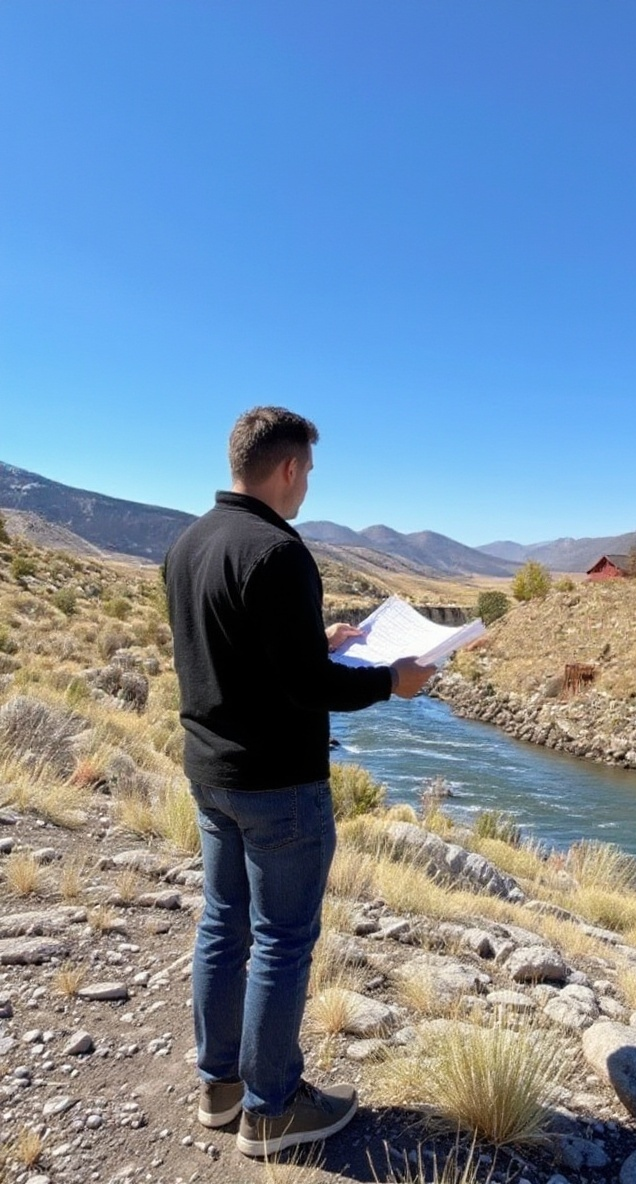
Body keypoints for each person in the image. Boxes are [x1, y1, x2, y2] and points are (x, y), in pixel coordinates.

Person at [163, 406, 434, 1158]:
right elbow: (310, 689)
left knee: (223, 926)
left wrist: (319, 639)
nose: (308, 485)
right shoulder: (280, 551)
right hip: (279, 784)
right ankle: (273, 1108)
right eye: (308, 471)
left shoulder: (189, 544)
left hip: (211, 775)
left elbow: (236, 653)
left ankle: (220, 1088)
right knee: (282, 941)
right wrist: (392, 681)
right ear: (287, 468)